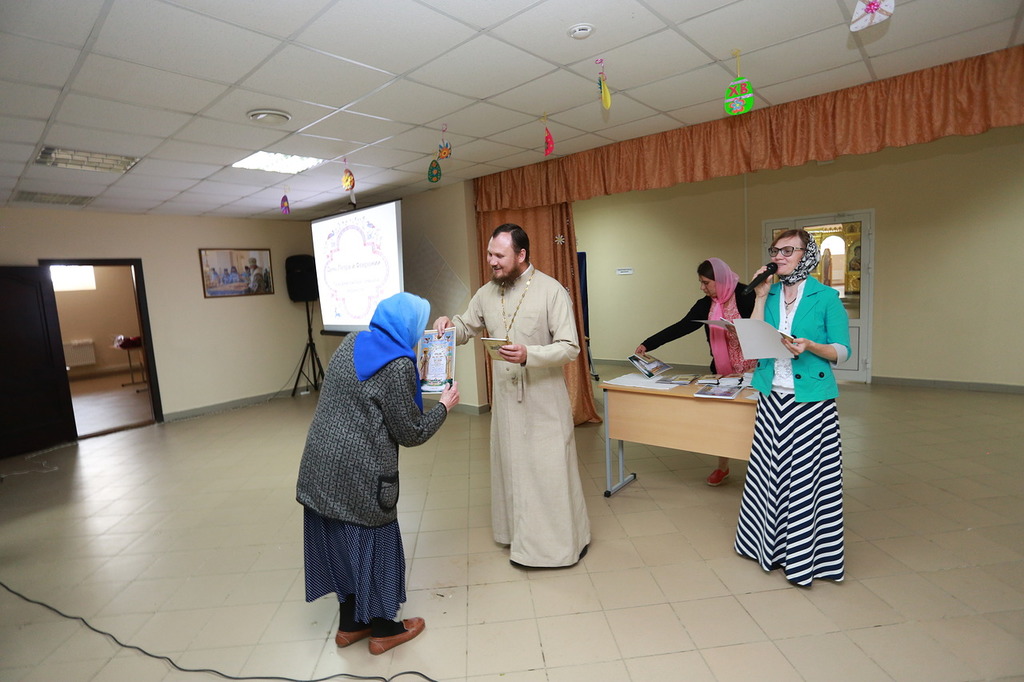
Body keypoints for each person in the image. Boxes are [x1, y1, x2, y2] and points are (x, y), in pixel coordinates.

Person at [296, 292, 460, 655]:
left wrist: (409, 382)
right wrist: (444, 407)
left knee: (340, 541)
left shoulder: (354, 340)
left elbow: (373, 391)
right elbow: (410, 432)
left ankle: (351, 623)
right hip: (362, 476)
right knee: (377, 544)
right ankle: (384, 628)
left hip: (319, 468)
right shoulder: (400, 365)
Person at [432, 223, 590, 569]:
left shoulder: (551, 291)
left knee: (548, 471)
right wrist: (447, 326)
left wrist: (529, 355)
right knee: (513, 469)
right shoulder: (487, 292)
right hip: (506, 401)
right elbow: (465, 327)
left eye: (499, 255)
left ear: (521, 255)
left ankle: (559, 546)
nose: (492, 262)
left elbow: (570, 347)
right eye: (489, 254)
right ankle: (516, 536)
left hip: (543, 399)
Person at [733, 229, 850, 586]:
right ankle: (764, 547)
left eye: (788, 250)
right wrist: (759, 295)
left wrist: (812, 345)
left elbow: (842, 352)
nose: (779, 256)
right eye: (775, 250)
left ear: (806, 254)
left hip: (811, 402)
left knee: (804, 481)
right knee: (769, 476)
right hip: (771, 398)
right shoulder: (768, 296)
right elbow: (752, 343)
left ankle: (804, 557)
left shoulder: (826, 296)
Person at [634, 258, 757, 486]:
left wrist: (751, 353)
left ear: (720, 280)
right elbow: (682, 326)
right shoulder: (707, 303)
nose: (702, 287)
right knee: (724, 420)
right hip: (723, 371)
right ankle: (723, 466)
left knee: (756, 422)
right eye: (701, 282)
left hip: (755, 368)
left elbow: (765, 328)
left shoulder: (747, 295)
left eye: (706, 282)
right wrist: (648, 344)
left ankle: (761, 470)